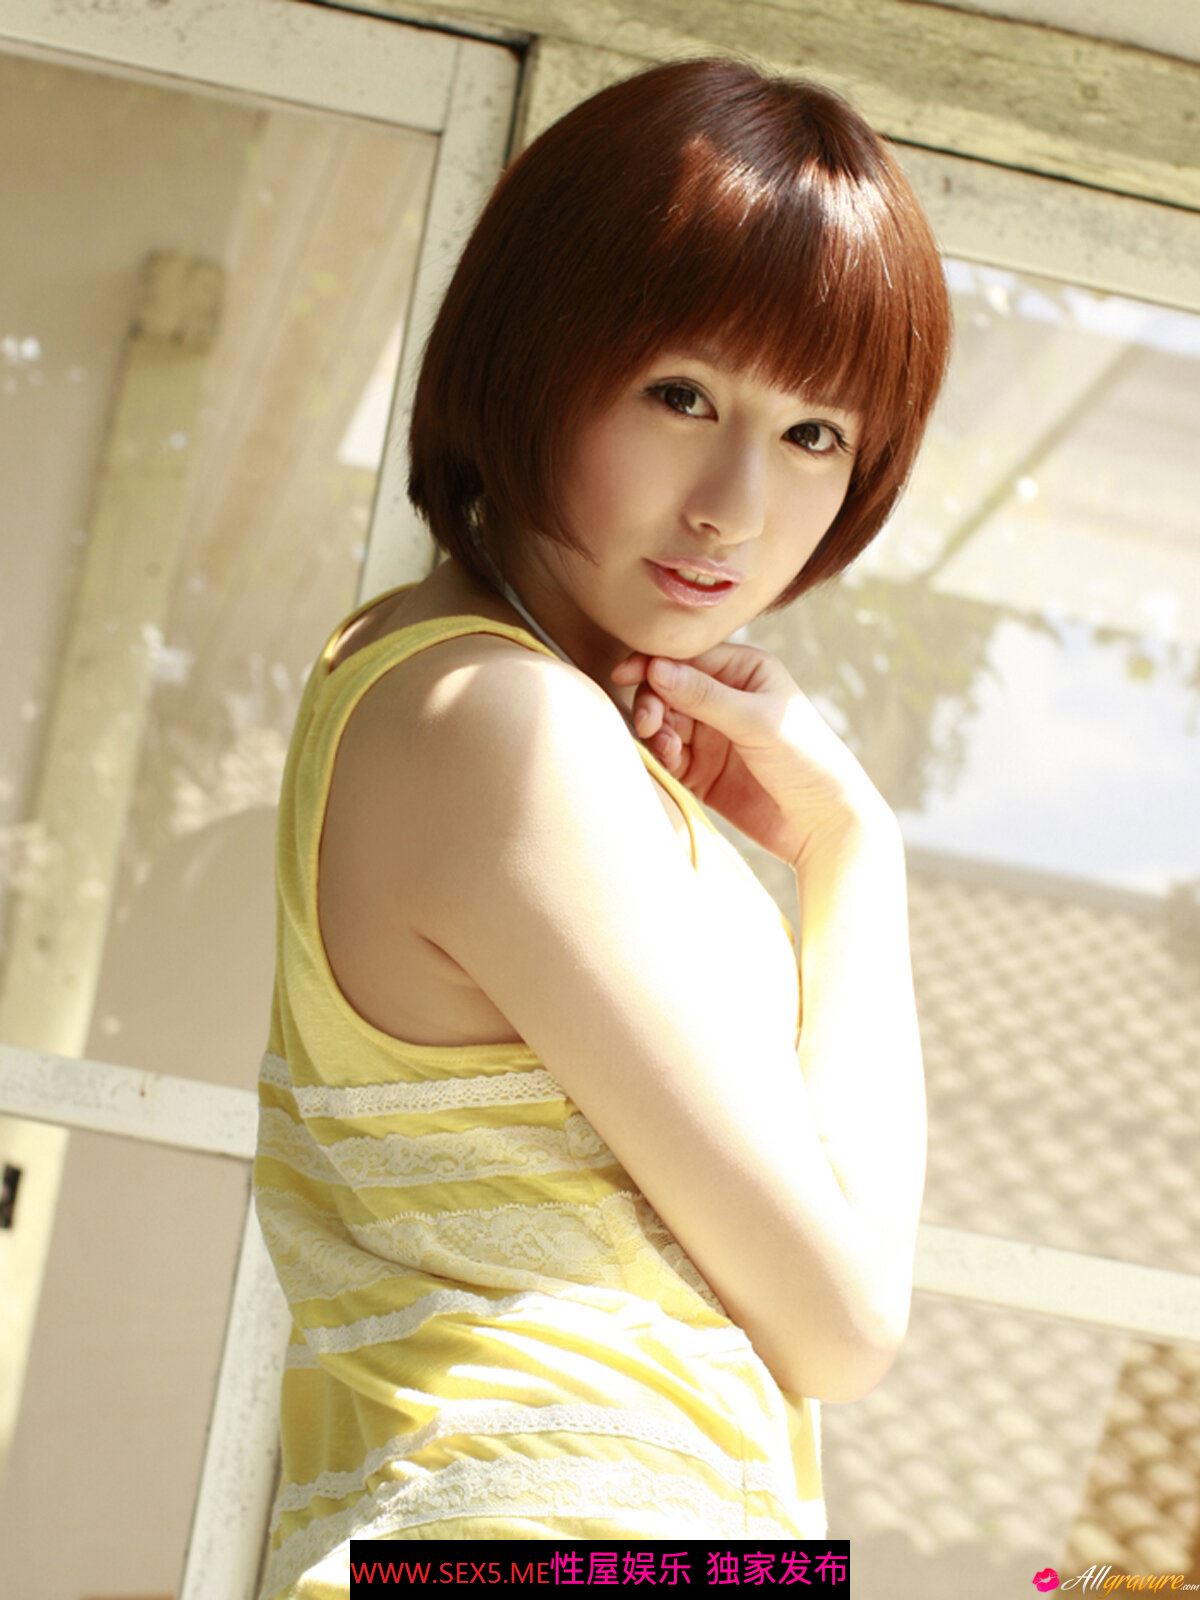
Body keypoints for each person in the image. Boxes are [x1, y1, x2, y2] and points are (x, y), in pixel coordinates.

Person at [252, 51, 950, 1595]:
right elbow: (843, 1322)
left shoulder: (440, 684)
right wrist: (854, 851)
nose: (733, 508)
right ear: (535, 354)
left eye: (815, 435)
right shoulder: (495, 723)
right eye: (681, 393)